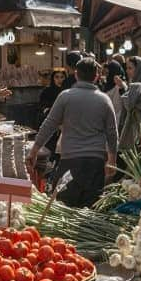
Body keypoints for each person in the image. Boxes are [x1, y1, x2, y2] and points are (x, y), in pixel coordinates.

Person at [27, 57, 118, 208]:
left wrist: (34, 150)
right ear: (96, 76)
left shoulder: (65, 97)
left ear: (76, 74)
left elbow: (49, 124)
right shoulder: (104, 100)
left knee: (66, 208)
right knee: (91, 210)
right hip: (95, 163)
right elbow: (112, 132)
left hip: (70, 160)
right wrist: (112, 160)